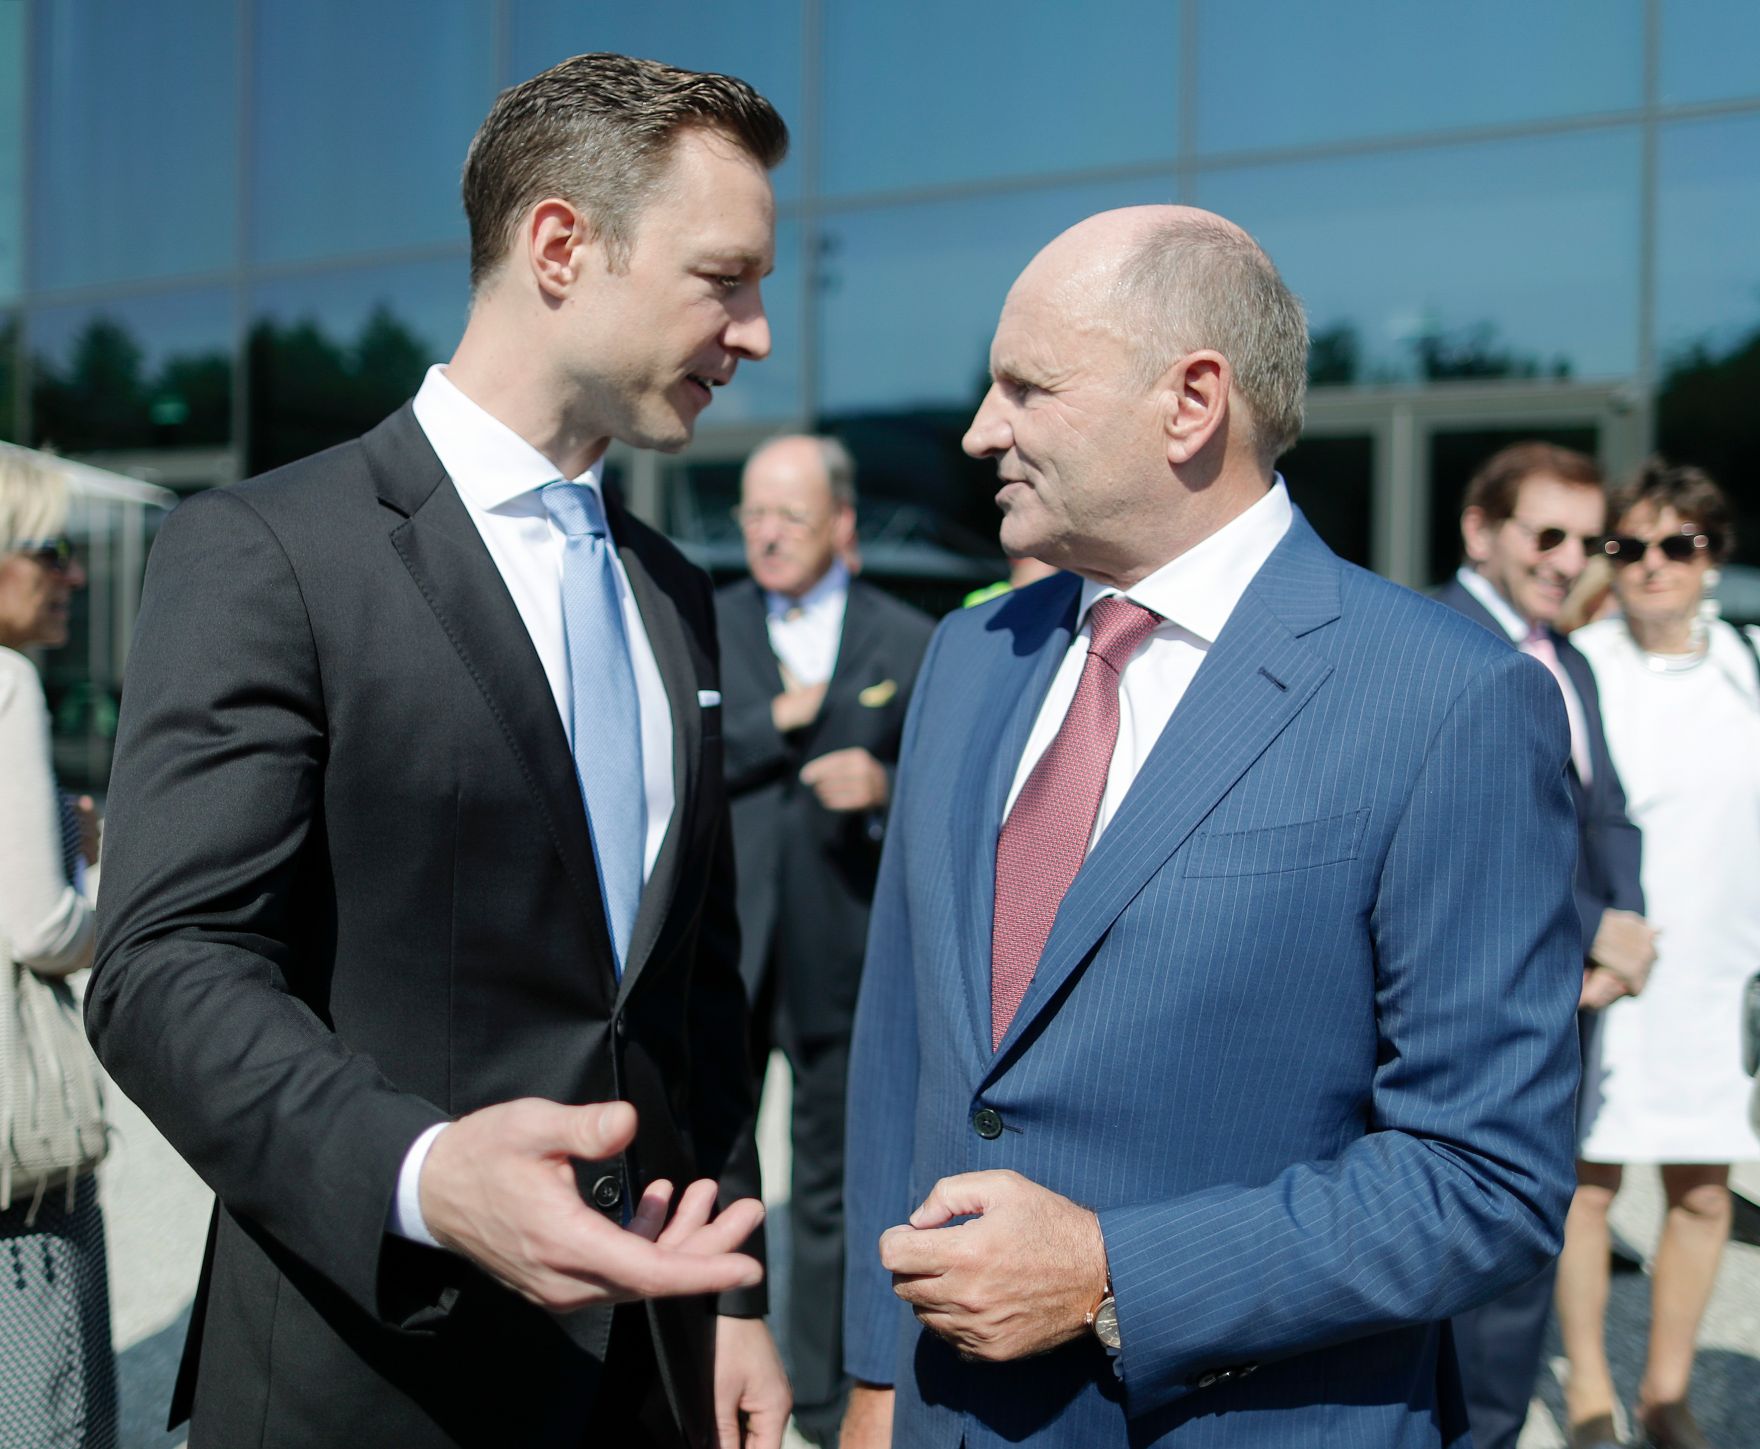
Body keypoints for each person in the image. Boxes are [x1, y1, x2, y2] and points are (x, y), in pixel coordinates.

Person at [88, 54, 792, 1449]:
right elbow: (164, 968)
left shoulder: (674, 589)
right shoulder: (271, 552)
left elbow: (691, 991)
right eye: (725, 278)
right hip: (372, 1378)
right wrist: (418, 1172)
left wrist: (740, 1298)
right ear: (557, 246)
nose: (758, 331)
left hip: (648, 1376)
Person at [840, 206, 1584, 1449]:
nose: (980, 430)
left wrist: (1108, 1274)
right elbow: (902, 1049)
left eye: (1026, 387)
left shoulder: (1445, 698)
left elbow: (1486, 1179)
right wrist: (871, 1375)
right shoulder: (972, 655)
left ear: (1190, 403)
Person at [1434, 442, 1656, 1449]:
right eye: (1546, 535)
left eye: (1586, 539)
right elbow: (1454, 843)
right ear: (1479, 533)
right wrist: (1581, 930)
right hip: (1475, 1012)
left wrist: (1619, 940)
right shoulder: (1432, 642)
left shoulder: (1562, 656)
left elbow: (1604, 814)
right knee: (1471, 1266)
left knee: (1530, 1246)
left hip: (1570, 1006)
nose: (1571, 560)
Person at [715, 434, 933, 1442]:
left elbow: (948, 796)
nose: (764, 534)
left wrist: (884, 790)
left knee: (830, 1185)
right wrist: (778, 723)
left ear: (840, 527)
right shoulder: (700, 624)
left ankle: (816, 1392)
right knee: (717, 1173)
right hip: (721, 949)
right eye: (752, 514)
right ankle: (717, 1355)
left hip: (843, 958)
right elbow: (670, 763)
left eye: (788, 517)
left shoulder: (911, 640)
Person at [1557, 460, 1760, 1449]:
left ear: (1709, 555)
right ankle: (1590, 1390)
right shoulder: (1575, 664)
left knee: (1703, 1190)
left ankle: (1664, 1396)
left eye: (1673, 545)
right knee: (1585, 1188)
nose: (1649, 565)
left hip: (1722, 972)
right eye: (1626, 546)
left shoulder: (1747, 664)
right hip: (1611, 968)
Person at [0, 448, 116, 1449]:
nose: (70, 574)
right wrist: (107, 884)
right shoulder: (5, 684)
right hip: (13, 1151)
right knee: (45, 1402)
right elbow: (40, 928)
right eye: (50, 550)